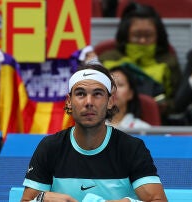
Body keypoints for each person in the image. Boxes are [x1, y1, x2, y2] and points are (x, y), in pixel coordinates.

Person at [21, 62, 167, 202]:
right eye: (80, 94)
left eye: (97, 94)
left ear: (110, 101)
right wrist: (41, 199)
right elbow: (27, 200)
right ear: (69, 102)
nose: (89, 102)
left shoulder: (132, 148)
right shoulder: (50, 147)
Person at [98, 2, 182, 124]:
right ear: (126, 35)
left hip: (160, 123)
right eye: (137, 36)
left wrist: (164, 106)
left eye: (148, 36)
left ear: (158, 36)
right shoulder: (108, 59)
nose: (142, 41)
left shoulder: (168, 61)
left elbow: (177, 100)